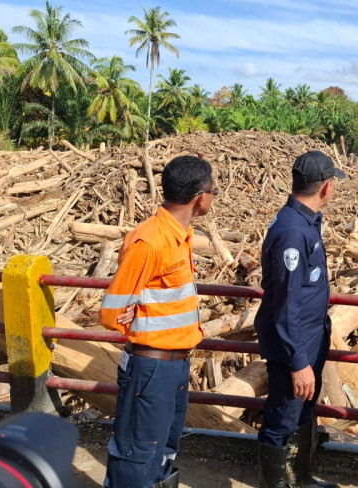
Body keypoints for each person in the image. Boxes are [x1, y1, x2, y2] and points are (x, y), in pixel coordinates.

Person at [99, 155, 216, 488]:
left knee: (164, 448)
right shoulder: (149, 241)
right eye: (213, 191)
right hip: (150, 368)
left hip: (175, 365)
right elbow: (111, 312)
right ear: (200, 197)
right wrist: (135, 318)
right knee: (137, 453)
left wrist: (143, 309)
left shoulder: (179, 235)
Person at [255, 150, 345, 488]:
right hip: (295, 348)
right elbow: (286, 305)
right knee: (283, 418)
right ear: (325, 188)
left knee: (301, 412)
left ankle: (301, 480)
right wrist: (298, 362)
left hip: (308, 342)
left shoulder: (304, 222)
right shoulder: (294, 232)